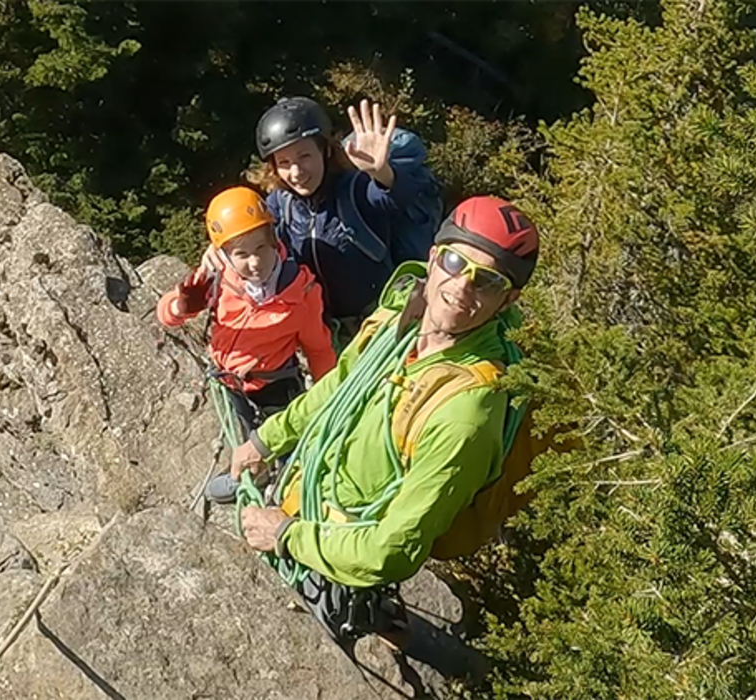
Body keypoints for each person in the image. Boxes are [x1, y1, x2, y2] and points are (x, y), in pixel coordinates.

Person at [229, 195, 540, 650]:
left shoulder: (467, 413)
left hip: (337, 544)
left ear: (508, 298)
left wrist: (286, 536)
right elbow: (340, 384)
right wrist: (266, 439)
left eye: (487, 281)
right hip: (306, 498)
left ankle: (373, 614)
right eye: (455, 262)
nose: (461, 287)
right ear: (434, 258)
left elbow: (391, 549)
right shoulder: (402, 314)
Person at [156, 186, 336, 501]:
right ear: (224, 253)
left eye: (261, 249)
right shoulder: (215, 279)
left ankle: (293, 485)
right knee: (242, 430)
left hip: (276, 382)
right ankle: (251, 474)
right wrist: (182, 307)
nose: (254, 262)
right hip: (230, 380)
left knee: (283, 438)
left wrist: (329, 396)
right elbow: (166, 316)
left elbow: (318, 348)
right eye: (241, 253)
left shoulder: (300, 290)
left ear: (274, 241)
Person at [247, 96, 432, 346]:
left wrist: (381, 173)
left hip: (381, 323)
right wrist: (219, 251)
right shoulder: (282, 203)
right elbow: (253, 236)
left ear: (325, 150)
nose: (296, 172)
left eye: (304, 156)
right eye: (284, 163)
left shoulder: (354, 188)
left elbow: (391, 197)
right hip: (328, 331)